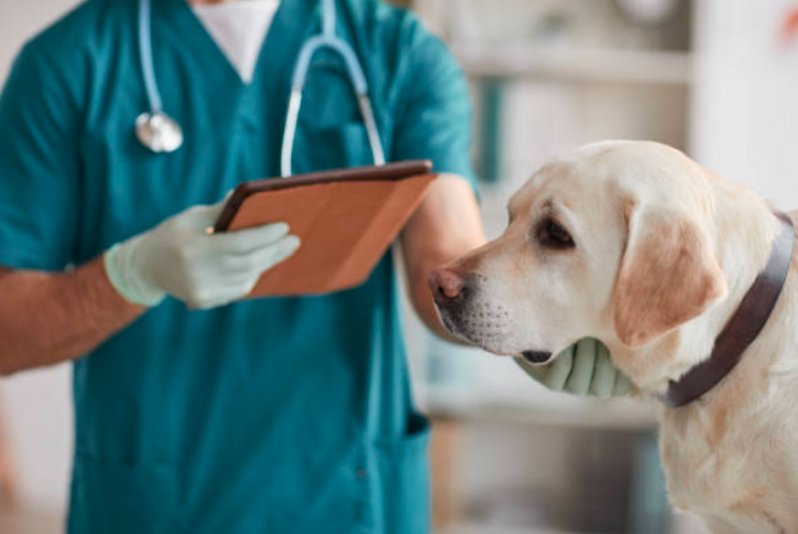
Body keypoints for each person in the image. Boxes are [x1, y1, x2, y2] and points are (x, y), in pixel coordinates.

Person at [0, 0, 626, 532]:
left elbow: (443, 260)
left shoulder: (396, 56)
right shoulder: (66, 66)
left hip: (345, 496)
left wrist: (521, 321)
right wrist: (130, 275)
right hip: (156, 500)